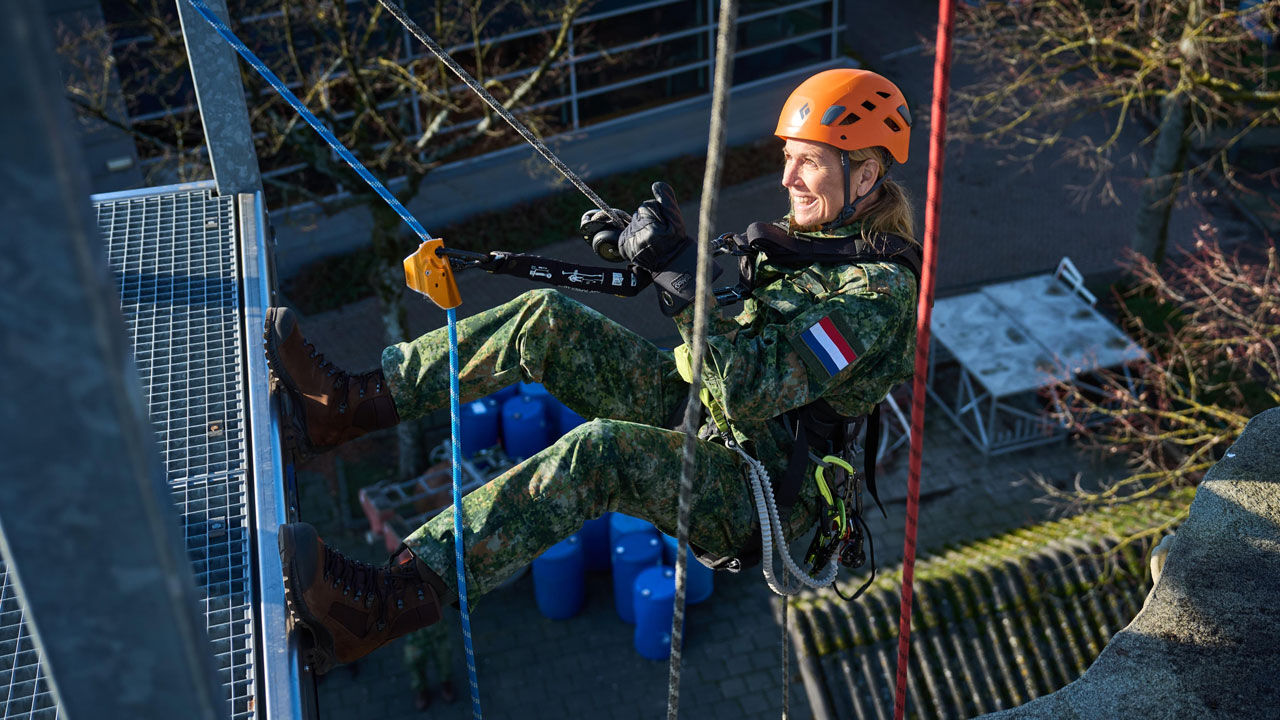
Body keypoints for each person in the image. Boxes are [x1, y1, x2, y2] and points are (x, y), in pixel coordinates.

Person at [271, 68, 920, 675]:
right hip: (714, 409)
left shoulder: (877, 295)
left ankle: (381, 605)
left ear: (864, 176)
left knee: (600, 454)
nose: (789, 178)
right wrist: (648, 259)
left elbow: (751, 389)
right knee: (541, 320)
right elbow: (728, 336)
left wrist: (677, 282)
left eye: (809, 161)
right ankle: (340, 406)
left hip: (766, 484)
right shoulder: (809, 243)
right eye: (788, 158)